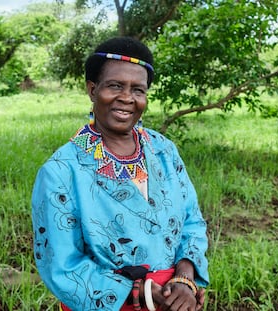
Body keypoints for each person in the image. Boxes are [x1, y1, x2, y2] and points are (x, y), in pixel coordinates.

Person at [31, 36, 209, 311]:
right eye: (115, 86)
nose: (127, 98)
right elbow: (61, 265)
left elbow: (191, 220)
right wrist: (141, 291)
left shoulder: (163, 151)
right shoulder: (61, 171)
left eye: (138, 90)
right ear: (92, 90)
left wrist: (185, 278)